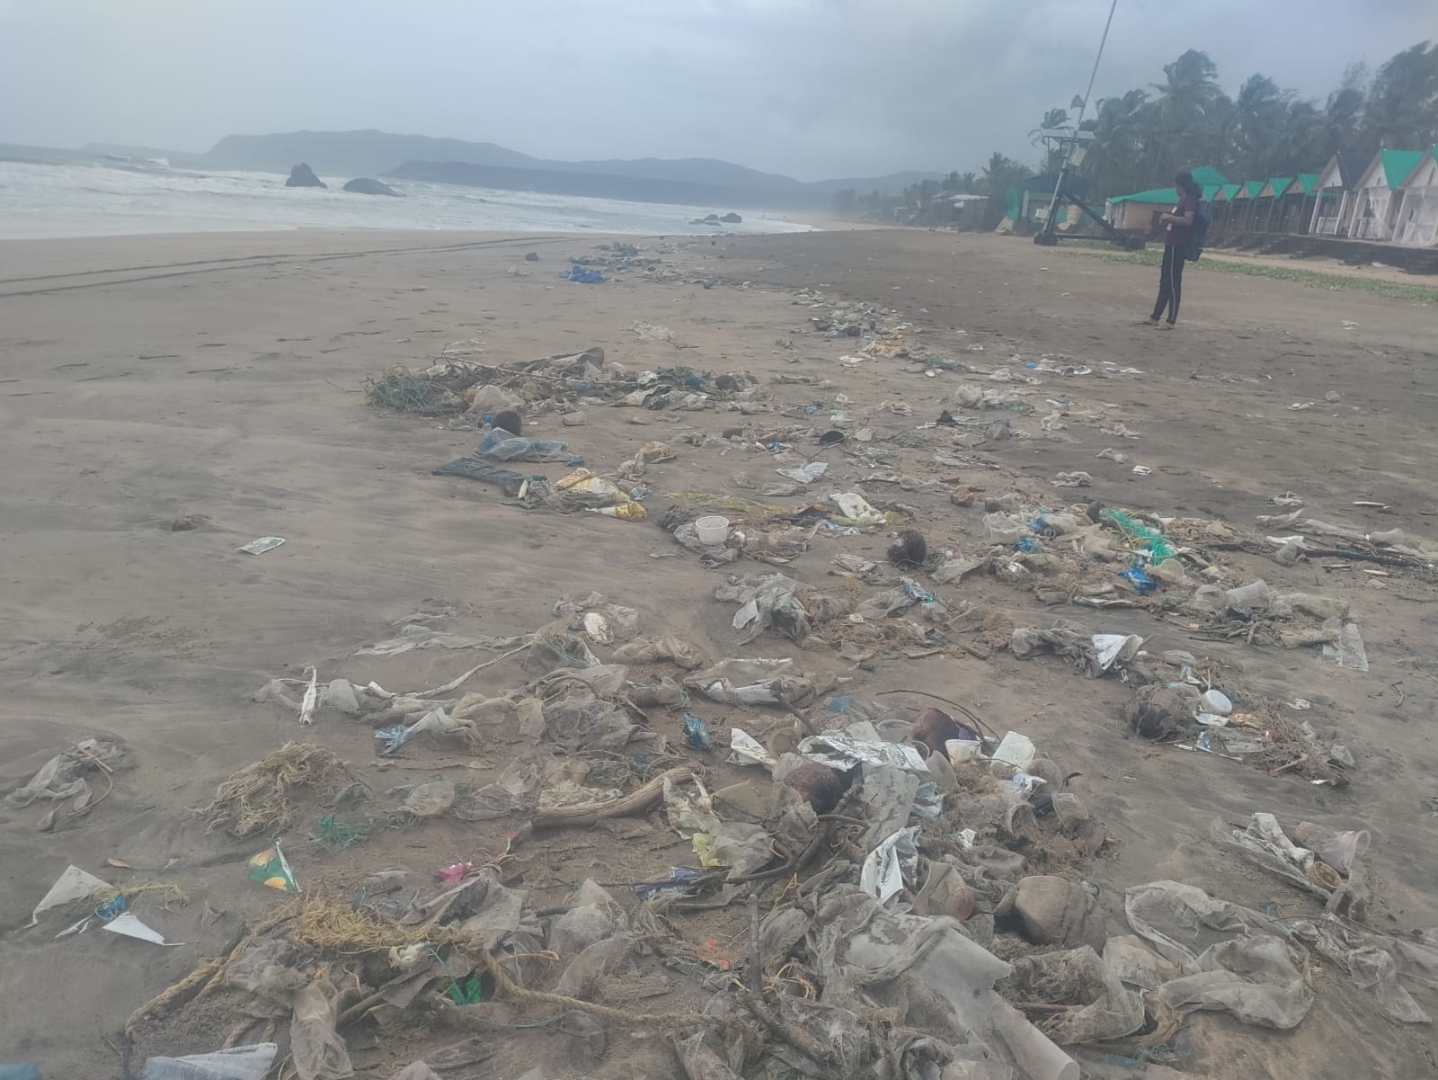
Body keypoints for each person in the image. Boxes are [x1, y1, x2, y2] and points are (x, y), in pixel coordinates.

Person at [1147, 171, 1201, 328]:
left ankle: (1171, 320)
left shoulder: (1190, 200)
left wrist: (1168, 217)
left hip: (1178, 245)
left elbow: (1187, 220)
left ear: (1180, 185)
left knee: (1173, 281)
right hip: (1171, 244)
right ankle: (1155, 317)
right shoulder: (1181, 200)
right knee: (1165, 281)